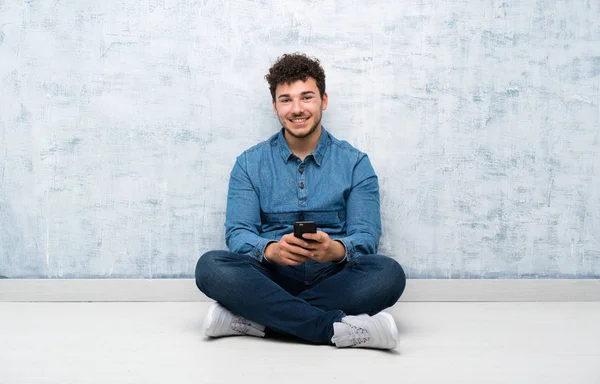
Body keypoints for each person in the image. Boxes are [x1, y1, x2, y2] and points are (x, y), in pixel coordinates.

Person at [195, 53, 406, 349]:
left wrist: (334, 249)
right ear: (274, 106)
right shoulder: (249, 163)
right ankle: (332, 329)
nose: (297, 109)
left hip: (335, 278)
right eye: (286, 100)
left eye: (306, 97)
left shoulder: (356, 163)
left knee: (389, 274)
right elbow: (238, 233)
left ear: (323, 100)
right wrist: (270, 250)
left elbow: (366, 237)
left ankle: (257, 319)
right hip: (269, 277)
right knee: (210, 267)